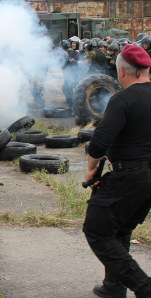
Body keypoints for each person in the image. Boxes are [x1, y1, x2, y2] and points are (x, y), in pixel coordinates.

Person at [84, 44, 151, 298]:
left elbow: (100, 142)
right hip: (146, 180)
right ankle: (113, 286)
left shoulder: (122, 99)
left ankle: (144, 287)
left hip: (129, 175)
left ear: (122, 72)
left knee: (96, 230)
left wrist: (91, 171)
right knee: (121, 229)